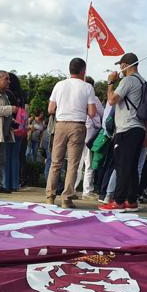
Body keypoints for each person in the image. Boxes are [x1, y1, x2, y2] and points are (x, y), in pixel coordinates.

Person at [45, 58, 97, 208]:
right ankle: (66, 198)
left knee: (55, 163)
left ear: (70, 70)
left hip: (60, 125)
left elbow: (50, 109)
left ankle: (50, 195)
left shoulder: (59, 85)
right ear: (83, 71)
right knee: (73, 164)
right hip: (78, 126)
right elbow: (92, 113)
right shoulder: (88, 87)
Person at [99, 53, 147, 212]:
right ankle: (131, 200)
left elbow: (112, 100)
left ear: (126, 65)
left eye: (121, 64)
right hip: (139, 128)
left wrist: (110, 82)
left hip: (126, 127)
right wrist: (146, 133)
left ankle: (119, 201)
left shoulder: (128, 80)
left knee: (122, 166)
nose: (119, 68)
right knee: (132, 166)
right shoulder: (143, 82)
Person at [75, 76, 104, 199]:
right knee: (89, 162)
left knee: (76, 162)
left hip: (78, 129)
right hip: (90, 133)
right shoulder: (94, 98)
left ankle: (72, 187)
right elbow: (103, 113)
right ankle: (87, 190)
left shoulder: (77, 96)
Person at [4, 73, 28, 192]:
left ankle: (5, 183)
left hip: (11, 126)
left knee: (6, 156)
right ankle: (15, 183)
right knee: (16, 157)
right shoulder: (22, 95)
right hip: (21, 128)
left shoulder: (7, 94)